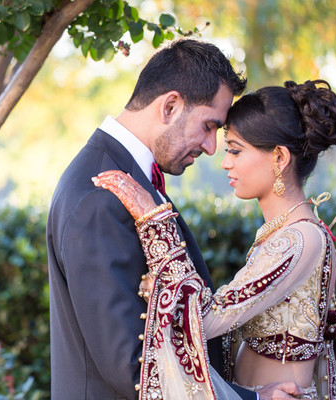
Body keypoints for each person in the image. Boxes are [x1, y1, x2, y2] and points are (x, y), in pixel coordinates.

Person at [47, 38, 297, 399]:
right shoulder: (100, 197)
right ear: (170, 106)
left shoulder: (126, 177)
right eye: (209, 126)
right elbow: (134, 368)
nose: (212, 147)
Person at [92, 79, 336, 399]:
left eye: (235, 150)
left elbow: (206, 319)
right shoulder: (284, 233)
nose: (225, 161)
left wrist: (156, 225)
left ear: (280, 158)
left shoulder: (299, 241)